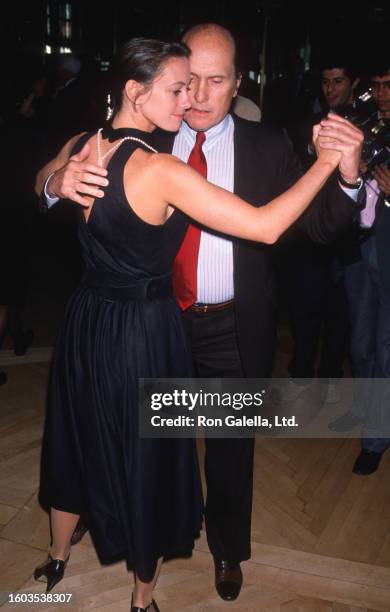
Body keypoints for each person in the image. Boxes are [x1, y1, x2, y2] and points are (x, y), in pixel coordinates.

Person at [36, 25, 364, 603]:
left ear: (238, 84)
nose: (198, 98)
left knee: (228, 445)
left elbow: (318, 225)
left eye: (215, 82)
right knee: (139, 442)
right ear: (157, 87)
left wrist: (345, 173)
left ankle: (226, 548)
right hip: (153, 326)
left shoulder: (266, 145)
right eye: (189, 84)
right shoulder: (152, 135)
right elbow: (52, 173)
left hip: (227, 323)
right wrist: (55, 183)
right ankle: (124, 534)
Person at [281, 56, 362, 403]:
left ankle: (330, 375)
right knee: (305, 307)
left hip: (348, 236)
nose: (331, 89)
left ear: (353, 83)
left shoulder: (366, 126)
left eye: (338, 81)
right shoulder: (307, 125)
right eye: (326, 82)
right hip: (309, 236)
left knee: (340, 313)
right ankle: (301, 370)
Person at [329, 62, 390, 475]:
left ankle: (376, 437)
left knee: (384, 348)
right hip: (361, 246)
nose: (382, 93)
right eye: (378, 86)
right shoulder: (369, 124)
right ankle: (370, 417)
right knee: (362, 342)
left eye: (389, 86)